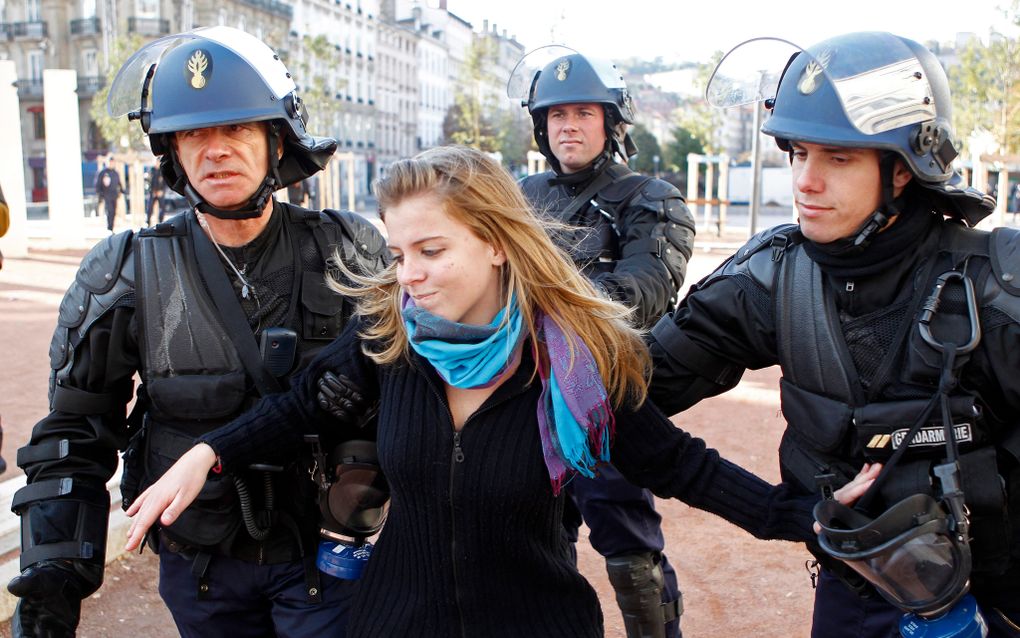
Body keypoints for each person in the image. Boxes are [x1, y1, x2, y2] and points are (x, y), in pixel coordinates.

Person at [122, 145, 876, 638]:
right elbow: (300, 409)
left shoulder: (576, 367)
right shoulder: (389, 340)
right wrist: (205, 456)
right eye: (396, 252)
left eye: (430, 250)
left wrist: (804, 517)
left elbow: (683, 467)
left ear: (492, 242)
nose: (406, 274)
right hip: (390, 624)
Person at [7, 26, 387, 638]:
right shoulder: (126, 270)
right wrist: (52, 580)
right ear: (172, 153)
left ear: (275, 138)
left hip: (326, 558)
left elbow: (413, 388)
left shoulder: (348, 252)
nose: (215, 150)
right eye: (193, 133)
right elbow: (74, 431)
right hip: (202, 567)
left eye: (235, 128)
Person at [647, 32, 1020, 636]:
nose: (806, 181)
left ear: (902, 169)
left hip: (994, 604)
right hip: (854, 595)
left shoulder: (995, 283)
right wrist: (773, 511)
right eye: (797, 153)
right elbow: (627, 390)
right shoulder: (770, 279)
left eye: (837, 157)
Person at [516, 49, 695, 637]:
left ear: (611, 122)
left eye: (583, 113)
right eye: (556, 114)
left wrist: (544, 305)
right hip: (519, 397)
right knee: (531, 544)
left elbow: (644, 291)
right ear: (542, 126)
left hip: (603, 398)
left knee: (629, 551)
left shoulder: (650, 197)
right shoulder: (518, 195)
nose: (568, 125)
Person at [94, 156, 124, 233]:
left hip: (114, 195)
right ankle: (109, 228)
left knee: (113, 212)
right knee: (110, 211)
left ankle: (111, 227)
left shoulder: (115, 173)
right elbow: (98, 184)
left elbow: (119, 183)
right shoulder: (103, 173)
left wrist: (122, 190)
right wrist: (100, 194)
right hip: (107, 195)